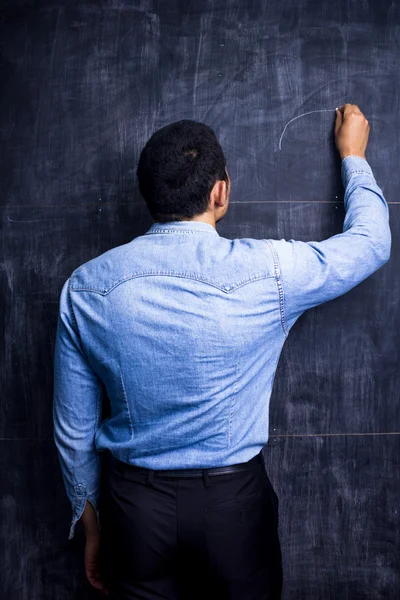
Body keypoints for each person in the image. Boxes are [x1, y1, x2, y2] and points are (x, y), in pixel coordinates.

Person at [53, 103, 391, 599]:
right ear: (220, 191)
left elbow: (73, 432)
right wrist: (353, 156)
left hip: (135, 513)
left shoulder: (86, 288)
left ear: (151, 194)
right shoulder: (270, 272)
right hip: (234, 510)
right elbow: (370, 242)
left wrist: (92, 527)